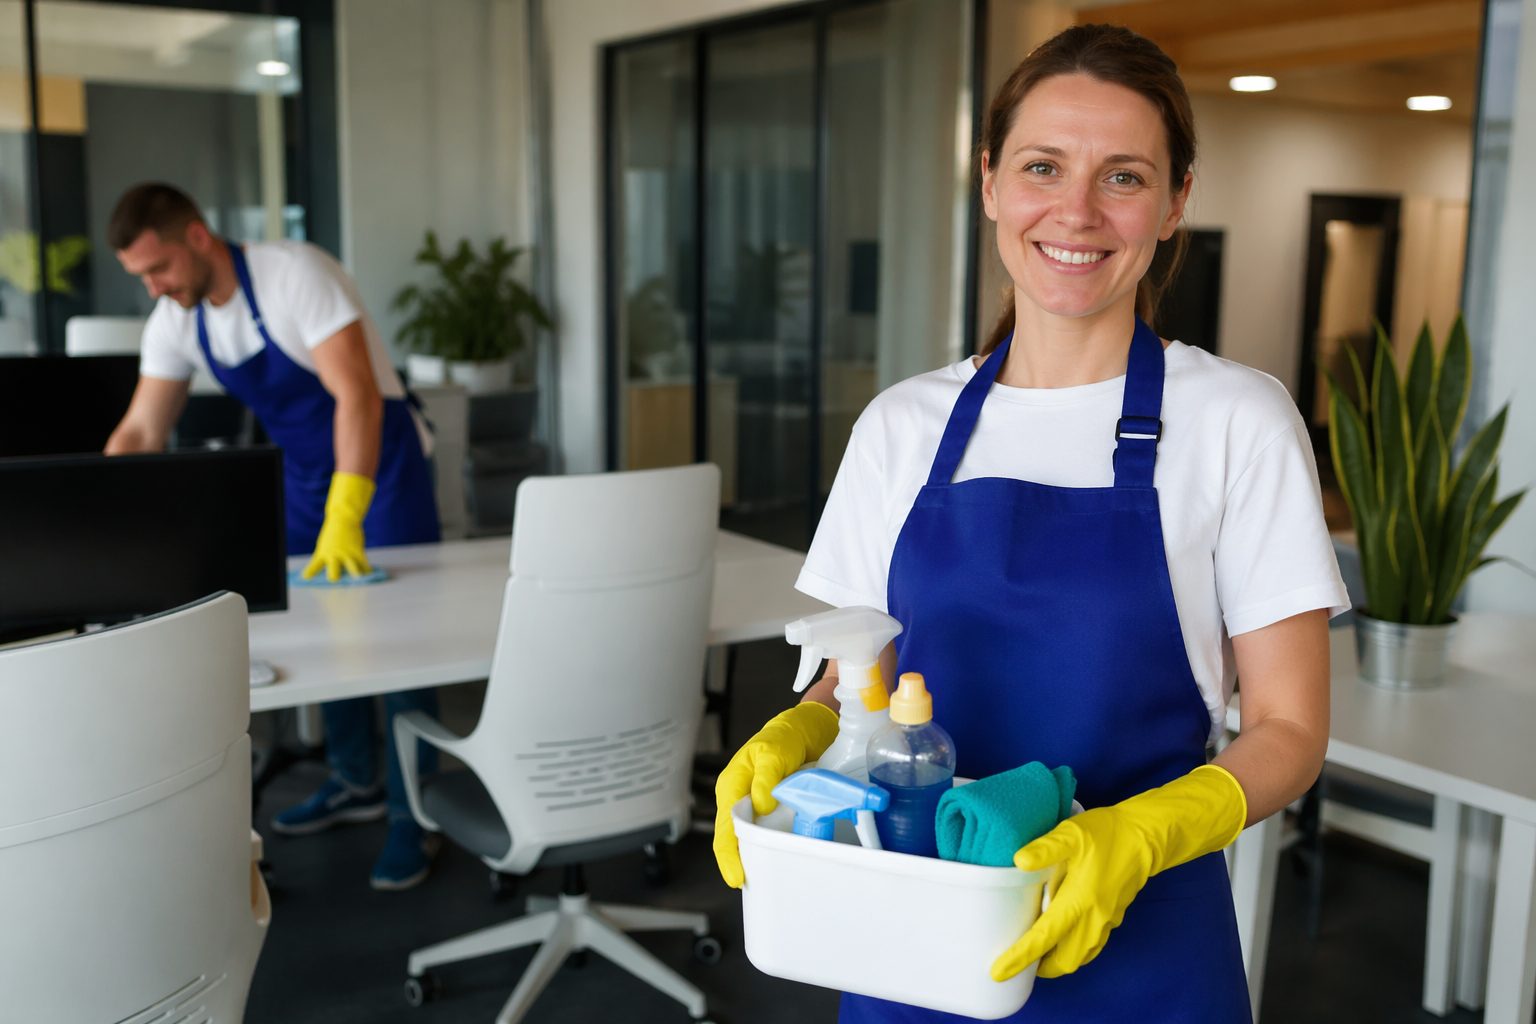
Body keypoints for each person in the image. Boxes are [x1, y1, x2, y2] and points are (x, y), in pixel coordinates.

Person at [713, 24, 1348, 1022]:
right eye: (1043, 166)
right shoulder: (902, 426)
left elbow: (1290, 730)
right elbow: (858, 676)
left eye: (1124, 177)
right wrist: (802, 726)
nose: (1077, 211)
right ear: (990, 182)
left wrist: (1141, 834)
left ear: (1176, 200)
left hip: (1142, 933)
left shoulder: (1239, 421)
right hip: (914, 930)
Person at [104, 183, 444, 890]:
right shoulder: (177, 319)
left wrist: (348, 512)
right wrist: (98, 511)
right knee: (327, 630)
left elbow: (356, 394)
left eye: (158, 268)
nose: (154, 288)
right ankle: (356, 782)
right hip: (304, 478)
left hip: (381, 469)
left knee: (404, 645)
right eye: (141, 277)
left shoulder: (295, 274)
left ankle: (418, 814)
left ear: (198, 237)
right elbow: (141, 428)